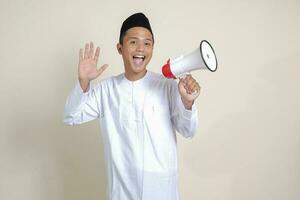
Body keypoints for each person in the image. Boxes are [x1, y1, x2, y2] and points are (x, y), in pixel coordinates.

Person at [63, 12, 201, 200]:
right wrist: (83, 82)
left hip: (162, 192)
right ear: (120, 48)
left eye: (147, 43)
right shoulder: (106, 90)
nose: (141, 49)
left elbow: (189, 130)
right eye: (133, 42)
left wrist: (187, 101)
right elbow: (71, 115)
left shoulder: (167, 86)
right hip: (122, 193)